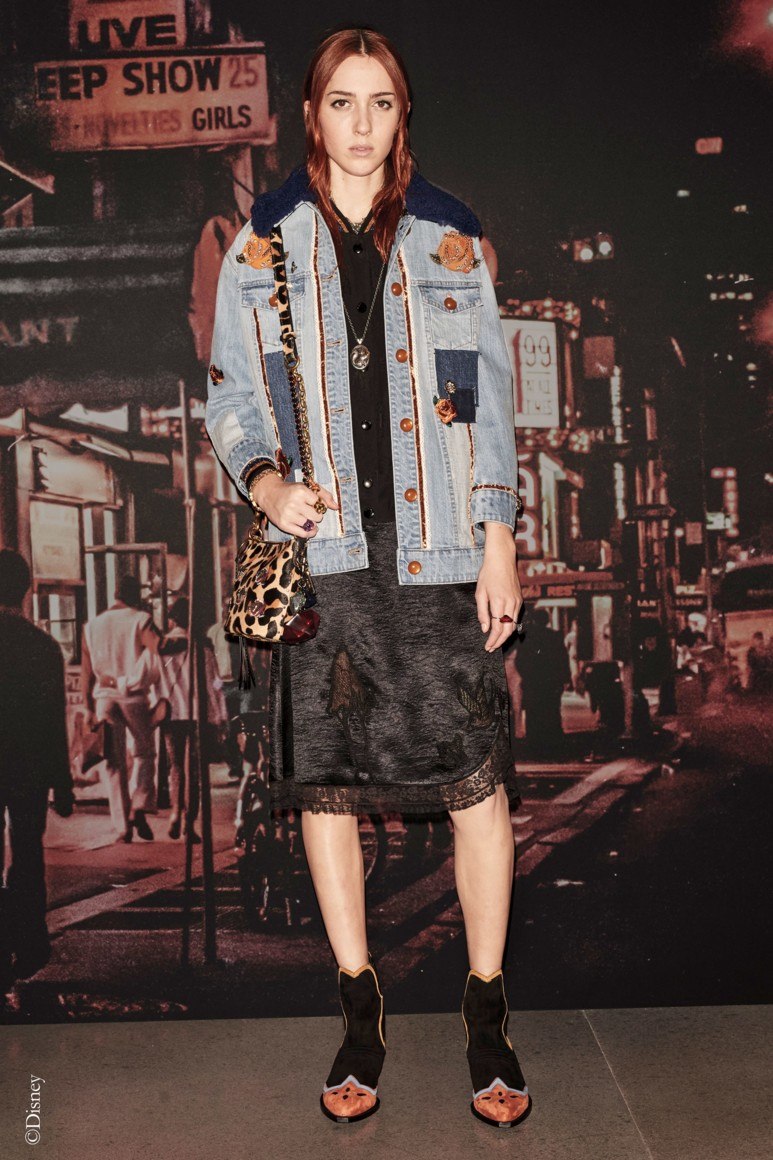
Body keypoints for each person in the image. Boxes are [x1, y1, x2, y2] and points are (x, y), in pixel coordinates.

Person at [205, 28, 530, 1129]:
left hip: (439, 552)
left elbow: (487, 397)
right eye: (339, 101)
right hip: (328, 558)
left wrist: (498, 534)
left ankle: (485, 1010)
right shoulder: (261, 242)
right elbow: (229, 392)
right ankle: (359, 1010)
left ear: (402, 115)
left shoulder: (450, 236)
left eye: (378, 102)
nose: (358, 123)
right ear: (311, 114)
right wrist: (264, 483)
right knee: (328, 787)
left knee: (476, 783)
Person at [0, 549, 74, 988]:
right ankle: (27, 942)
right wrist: (62, 783)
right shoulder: (43, 648)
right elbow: (53, 720)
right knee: (28, 853)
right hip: (28, 767)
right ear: (26, 591)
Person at [81, 575, 159, 843]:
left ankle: (122, 828)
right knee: (144, 753)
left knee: (113, 763)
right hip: (133, 697)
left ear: (115, 595)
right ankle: (139, 804)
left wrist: (88, 707)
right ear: (135, 595)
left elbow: (87, 672)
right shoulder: (141, 619)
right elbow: (156, 650)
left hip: (104, 699)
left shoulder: (92, 626)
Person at [157, 598, 201, 844]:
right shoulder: (199, 646)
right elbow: (212, 684)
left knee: (175, 766)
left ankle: (175, 811)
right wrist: (219, 719)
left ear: (172, 619)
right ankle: (189, 824)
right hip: (194, 715)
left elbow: (148, 677)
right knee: (192, 770)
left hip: (170, 714)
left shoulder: (161, 647)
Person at [514, 608, 571, 750]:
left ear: (534, 620)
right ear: (548, 620)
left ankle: (534, 741)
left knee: (533, 711)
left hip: (533, 681)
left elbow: (519, 660)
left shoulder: (527, 637)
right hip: (551, 681)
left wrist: (526, 676)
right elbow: (563, 659)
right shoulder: (555, 636)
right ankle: (552, 740)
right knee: (552, 710)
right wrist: (565, 678)